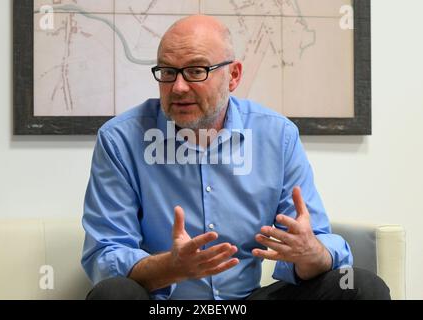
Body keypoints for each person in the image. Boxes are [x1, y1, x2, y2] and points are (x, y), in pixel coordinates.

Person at [81, 15, 390, 300]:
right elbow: (104, 254)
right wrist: (172, 267)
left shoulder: (276, 135)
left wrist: (310, 253)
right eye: (167, 72)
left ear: (234, 75)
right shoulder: (120, 139)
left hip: (244, 302)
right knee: (113, 294)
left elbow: (321, 242)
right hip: (165, 304)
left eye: (195, 71)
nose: (178, 87)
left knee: (360, 287)